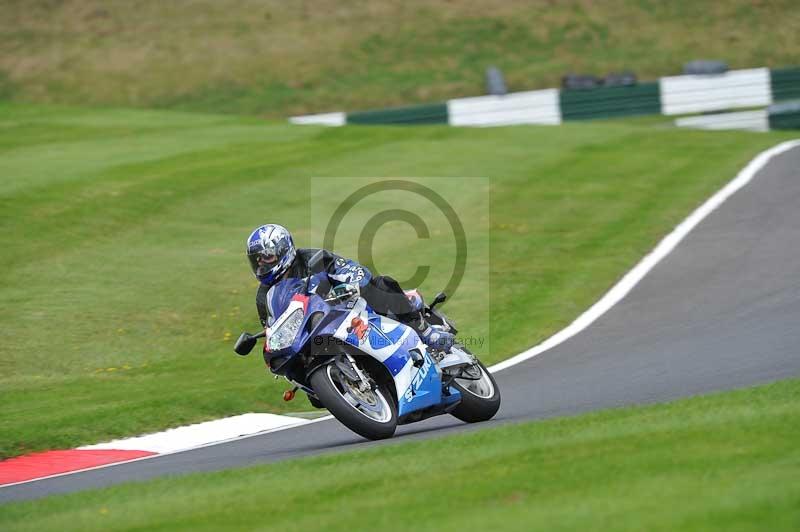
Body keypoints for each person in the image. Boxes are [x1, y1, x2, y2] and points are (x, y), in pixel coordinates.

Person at [245, 223, 455, 351]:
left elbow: (347, 268)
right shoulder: (263, 297)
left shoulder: (310, 258)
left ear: (284, 250)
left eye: (267, 257)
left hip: (347, 307)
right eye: (257, 260)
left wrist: (352, 282)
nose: (262, 264)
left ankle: (424, 331)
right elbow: (272, 328)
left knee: (381, 284)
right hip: (316, 332)